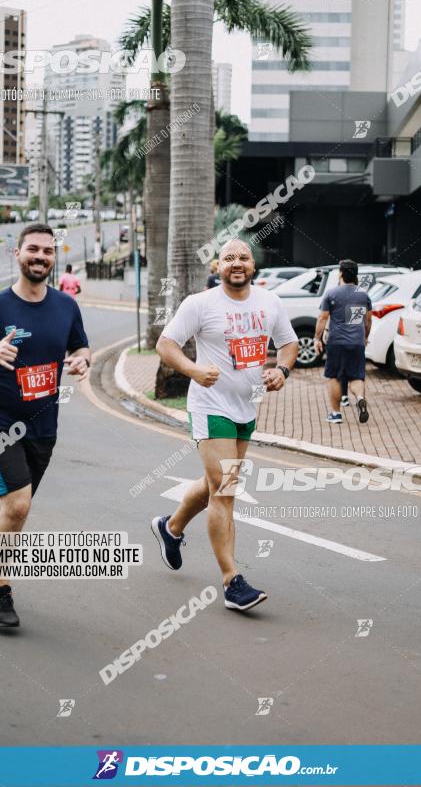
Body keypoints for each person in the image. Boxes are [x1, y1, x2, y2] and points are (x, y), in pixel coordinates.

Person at [0, 224, 91, 629]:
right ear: (17, 254)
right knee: (18, 504)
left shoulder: (66, 306)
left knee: (13, 509)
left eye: (47, 251)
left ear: (53, 258)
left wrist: (82, 359)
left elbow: (80, 345)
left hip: (43, 427)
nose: (40, 256)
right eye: (32, 250)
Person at [152, 239, 298, 611]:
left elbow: (288, 344)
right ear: (217, 266)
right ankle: (233, 580)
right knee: (226, 489)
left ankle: (171, 528)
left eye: (244, 258)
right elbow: (166, 345)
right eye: (229, 258)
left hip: (246, 409)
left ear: (253, 265)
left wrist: (281, 370)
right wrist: (193, 370)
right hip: (209, 406)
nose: (237, 263)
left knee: (213, 483)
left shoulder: (270, 302)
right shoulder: (200, 304)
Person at [314, 259, 371, 425]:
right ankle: (360, 398)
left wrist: (317, 338)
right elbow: (368, 320)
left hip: (337, 342)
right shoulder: (363, 295)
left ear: (341, 273)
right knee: (356, 377)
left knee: (335, 377)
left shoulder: (332, 294)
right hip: (357, 343)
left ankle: (336, 413)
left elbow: (323, 318)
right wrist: (365, 337)